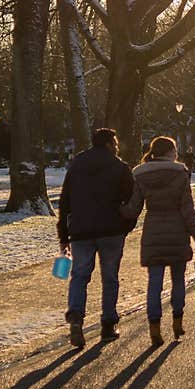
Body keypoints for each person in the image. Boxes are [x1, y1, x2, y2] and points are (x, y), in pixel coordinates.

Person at [120, 136, 195, 346]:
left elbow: (133, 208)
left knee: (154, 283)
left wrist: (115, 210)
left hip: (153, 232)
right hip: (177, 233)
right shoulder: (180, 174)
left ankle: (154, 328)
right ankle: (177, 322)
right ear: (170, 152)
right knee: (178, 281)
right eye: (175, 150)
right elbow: (188, 212)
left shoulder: (141, 175)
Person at [57, 128, 135, 348]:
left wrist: (64, 234)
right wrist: (126, 226)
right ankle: (108, 324)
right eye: (116, 142)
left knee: (80, 275)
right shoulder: (119, 167)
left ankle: (75, 317)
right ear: (110, 144)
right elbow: (131, 201)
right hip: (111, 230)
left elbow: (65, 202)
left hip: (81, 230)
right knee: (110, 277)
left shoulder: (77, 166)